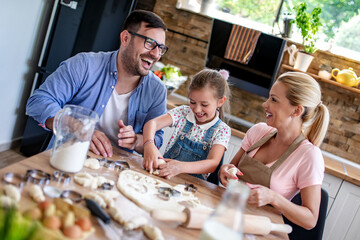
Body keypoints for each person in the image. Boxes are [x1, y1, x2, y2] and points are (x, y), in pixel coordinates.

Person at [26, 10, 168, 157]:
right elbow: (38, 102)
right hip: (66, 156)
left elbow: (156, 139)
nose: (156, 54)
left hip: (116, 170)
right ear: (125, 38)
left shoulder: (156, 90)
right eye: (150, 43)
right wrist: (80, 128)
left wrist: (136, 141)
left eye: (161, 48)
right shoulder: (84, 65)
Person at [219, 71, 330, 229]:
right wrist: (225, 170)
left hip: (258, 229)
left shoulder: (309, 156)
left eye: (274, 99)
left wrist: (273, 198)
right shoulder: (258, 131)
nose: (265, 104)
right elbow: (230, 169)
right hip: (226, 214)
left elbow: (310, 220)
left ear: (297, 111)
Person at [142, 69, 232, 183]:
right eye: (192, 102)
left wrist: (180, 167)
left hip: (193, 188)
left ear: (220, 102)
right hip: (163, 179)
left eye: (204, 104)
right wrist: (149, 145)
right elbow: (152, 124)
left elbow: (212, 163)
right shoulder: (183, 113)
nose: (197, 109)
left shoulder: (222, 130)